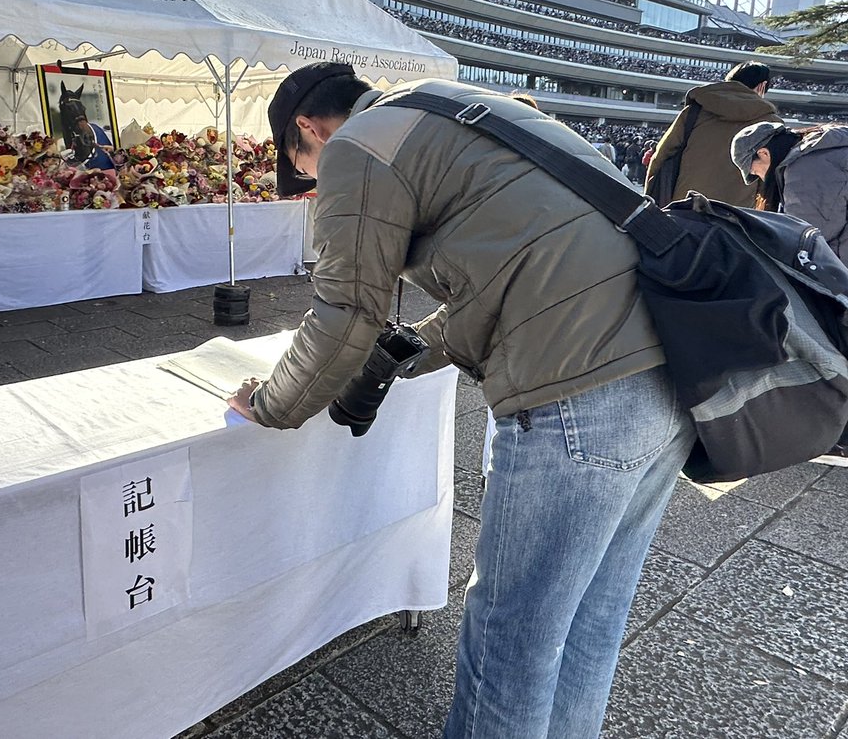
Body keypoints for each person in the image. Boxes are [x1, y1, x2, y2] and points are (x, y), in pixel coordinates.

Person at [228, 62, 695, 738]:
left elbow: (344, 311)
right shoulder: (455, 108)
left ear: (309, 128)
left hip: (573, 388)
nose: (311, 183)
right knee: (589, 624)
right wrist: (401, 354)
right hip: (666, 373)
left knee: (511, 641)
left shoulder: (358, 143)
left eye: (302, 169)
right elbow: (514, 279)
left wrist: (271, 402)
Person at [731, 120, 848, 466]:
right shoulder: (831, 147)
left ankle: (839, 442)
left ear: (763, 153)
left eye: (753, 170)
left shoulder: (807, 164)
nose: (758, 178)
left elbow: (810, 237)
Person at [645, 60, 781, 207]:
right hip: (738, 213)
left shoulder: (695, 111)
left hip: (685, 205)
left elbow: (661, 156)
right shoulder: (771, 123)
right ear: (762, 86)